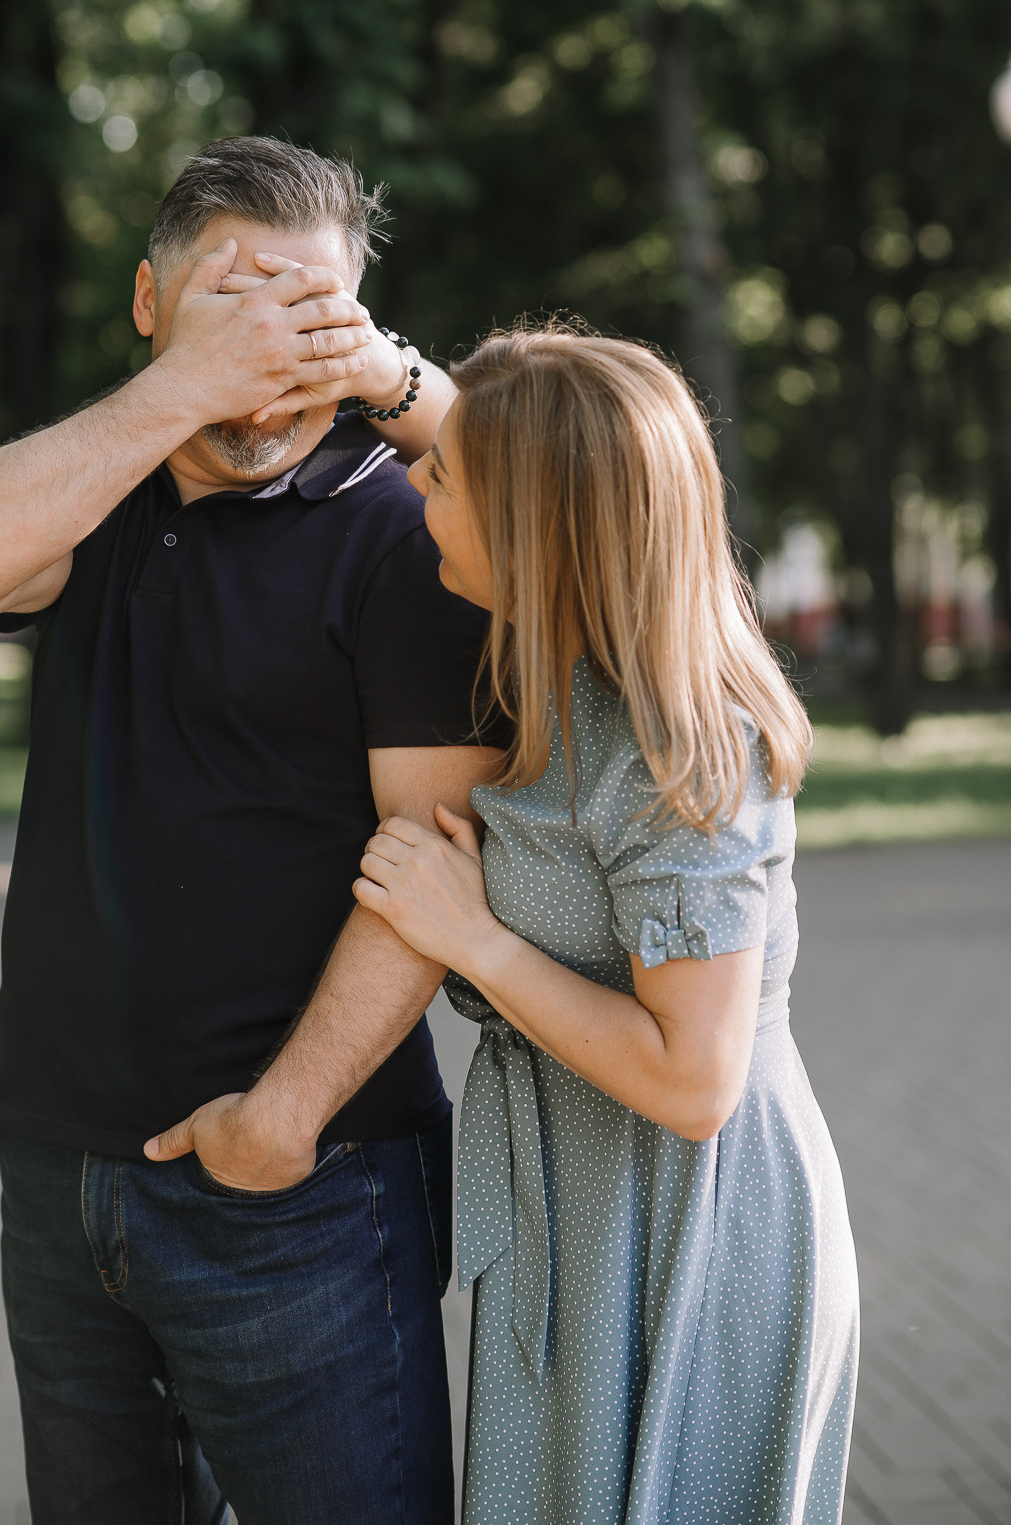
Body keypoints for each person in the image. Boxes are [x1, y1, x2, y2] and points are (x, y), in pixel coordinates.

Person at [0, 137, 505, 1525]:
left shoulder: (412, 528)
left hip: (305, 1189)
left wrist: (278, 1125)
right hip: (57, 1170)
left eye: (306, 319)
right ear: (147, 305)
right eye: (233, 310)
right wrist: (186, 387)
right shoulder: (95, 491)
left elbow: (438, 862)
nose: (267, 361)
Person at [353, 328, 860, 1525]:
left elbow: (695, 1079)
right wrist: (380, 367)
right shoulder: (566, 673)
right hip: (574, 1212)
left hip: (687, 1227)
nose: (413, 481)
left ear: (536, 528)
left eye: (443, 478)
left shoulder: (678, 742)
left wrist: (471, 938)